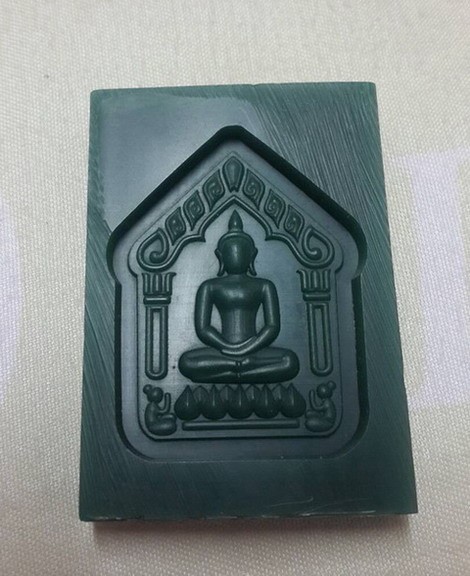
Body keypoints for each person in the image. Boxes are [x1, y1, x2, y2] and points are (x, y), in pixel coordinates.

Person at [179, 211, 299, 383]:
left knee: (289, 361)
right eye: (230, 251)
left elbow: (272, 327)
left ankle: (234, 371)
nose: (236, 255)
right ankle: (240, 369)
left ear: (252, 255)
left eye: (242, 251)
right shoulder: (210, 286)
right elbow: (203, 328)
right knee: (186, 362)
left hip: (255, 350)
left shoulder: (264, 285)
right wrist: (226, 346)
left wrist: (250, 347)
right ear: (220, 256)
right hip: (223, 351)